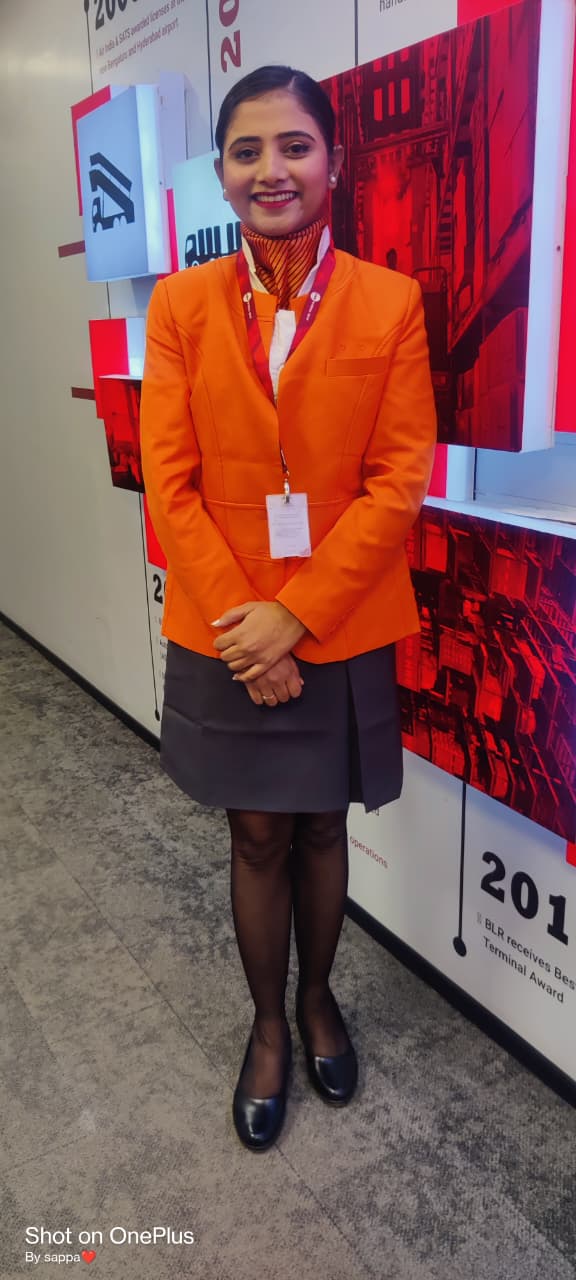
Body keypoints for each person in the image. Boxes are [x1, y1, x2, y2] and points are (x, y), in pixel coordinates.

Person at [140, 64, 436, 1153]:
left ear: (334, 162)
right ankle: (268, 1027)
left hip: (339, 620)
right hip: (225, 627)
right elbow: (170, 482)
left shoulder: (389, 301)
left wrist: (295, 617)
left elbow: (397, 481)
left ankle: (319, 1002)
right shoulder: (181, 305)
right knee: (256, 831)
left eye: (295, 145)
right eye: (248, 149)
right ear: (222, 173)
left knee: (319, 823)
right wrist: (249, 625)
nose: (273, 169)